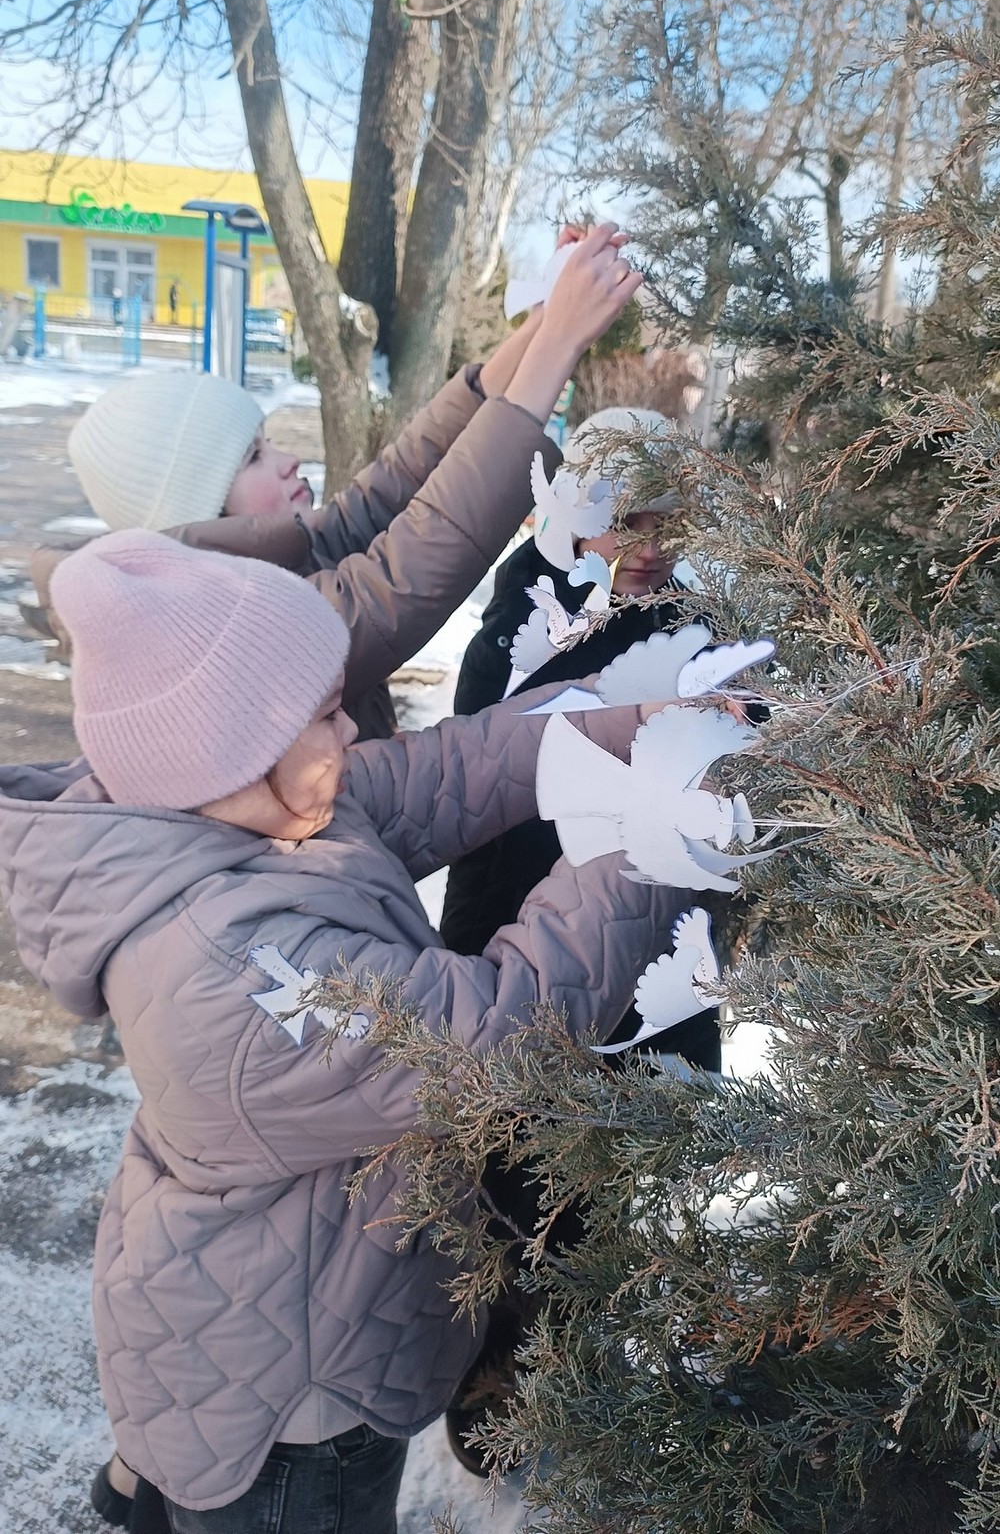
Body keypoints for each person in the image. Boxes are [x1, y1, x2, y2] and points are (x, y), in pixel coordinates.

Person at [0, 532, 682, 1534]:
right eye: (321, 715)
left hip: (287, 1300)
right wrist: (651, 828)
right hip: (289, 1409)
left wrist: (641, 726)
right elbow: (488, 1039)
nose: (346, 736)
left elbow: (441, 774)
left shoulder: (237, 813)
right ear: (221, 750)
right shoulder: (230, 974)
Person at [31, 224, 641, 741]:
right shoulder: (203, 627)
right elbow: (389, 594)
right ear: (194, 505)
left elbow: (389, 493)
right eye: (252, 458)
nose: (288, 460)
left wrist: (537, 327)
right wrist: (560, 343)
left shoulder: (262, 566)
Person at [438, 406, 722, 1472]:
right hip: (538, 972)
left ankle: (597, 1377)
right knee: (524, 1202)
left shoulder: (708, 623)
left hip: (662, 967)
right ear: (573, 517)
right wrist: (474, 981)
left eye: (668, 512)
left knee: (624, 1206)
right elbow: (477, 832)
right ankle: (498, 1385)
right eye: (621, 517)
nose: (648, 539)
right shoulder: (519, 634)